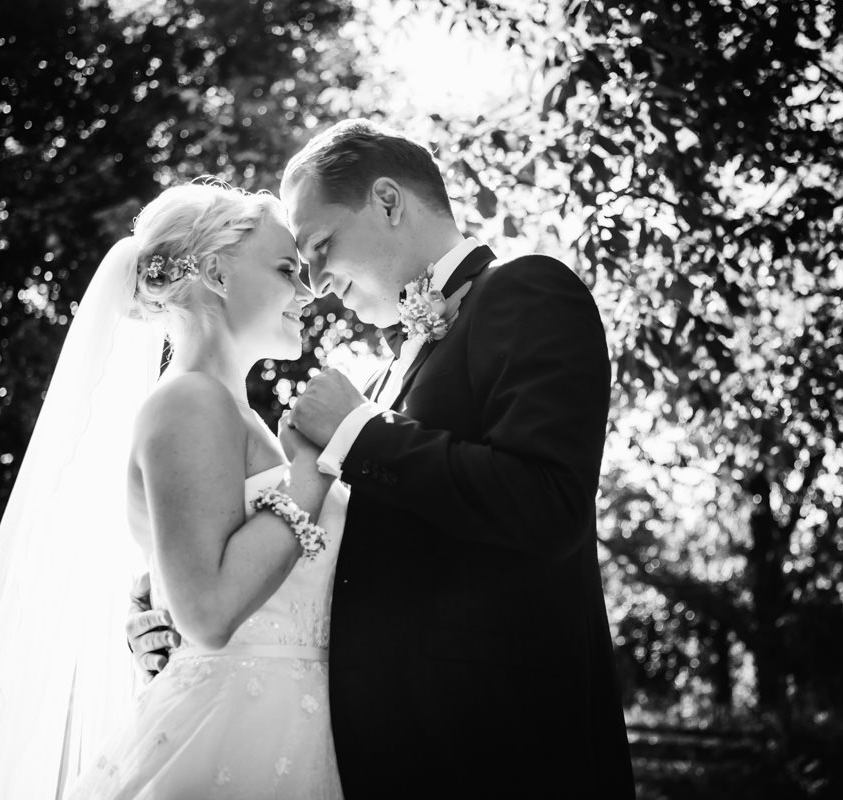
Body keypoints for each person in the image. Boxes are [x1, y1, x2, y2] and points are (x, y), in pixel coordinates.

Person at [131, 120, 636, 798]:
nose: (314, 283)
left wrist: (362, 433)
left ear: (389, 202)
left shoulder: (528, 291)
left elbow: (550, 504)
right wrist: (173, 614)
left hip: (512, 752)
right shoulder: (374, 384)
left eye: (319, 246)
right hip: (380, 761)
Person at [0, 181, 347, 799]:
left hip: (283, 730)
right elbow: (208, 613)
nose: (307, 293)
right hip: (223, 742)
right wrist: (313, 474)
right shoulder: (191, 402)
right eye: (285, 270)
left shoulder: (233, 415)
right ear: (217, 273)